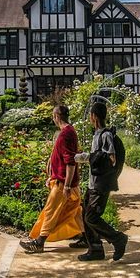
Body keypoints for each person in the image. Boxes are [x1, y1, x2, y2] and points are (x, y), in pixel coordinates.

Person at [19, 105, 84, 253]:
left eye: (53, 116)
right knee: (74, 211)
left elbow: (70, 162)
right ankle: (87, 237)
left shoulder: (65, 134)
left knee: (50, 211)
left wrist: (67, 185)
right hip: (63, 180)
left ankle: (39, 242)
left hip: (63, 183)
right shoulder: (69, 131)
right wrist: (52, 176)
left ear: (56, 117)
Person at [73, 101, 128, 262]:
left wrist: (85, 157)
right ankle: (96, 249)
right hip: (93, 183)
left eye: (90, 115)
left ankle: (118, 239)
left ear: (94, 116)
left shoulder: (105, 135)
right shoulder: (97, 134)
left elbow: (111, 158)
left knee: (92, 217)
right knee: (86, 214)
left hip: (101, 184)